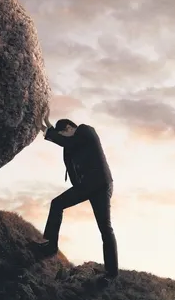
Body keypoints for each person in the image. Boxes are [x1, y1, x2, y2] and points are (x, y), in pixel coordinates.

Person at [33, 113, 118, 283]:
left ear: (70, 128)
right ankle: (50, 246)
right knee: (57, 204)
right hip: (86, 186)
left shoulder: (86, 131)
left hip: (100, 185)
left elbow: (66, 141)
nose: (62, 139)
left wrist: (47, 126)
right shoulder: (71, 145)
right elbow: (66, 146)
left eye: (63, 133)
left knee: (105, 227)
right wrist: (46, 129)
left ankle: (111, 272)